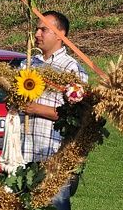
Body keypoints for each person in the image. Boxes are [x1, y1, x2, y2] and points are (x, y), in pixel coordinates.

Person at [21, 11, 88, 210]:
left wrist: (36, 108)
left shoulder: (72, 69)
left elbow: (77, 116)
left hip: (53, 155)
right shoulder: (28, 63)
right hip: (24, 153)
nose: (37, 34)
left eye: (43, 29)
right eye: (36, 29)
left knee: (56, 204)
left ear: (60, 34)